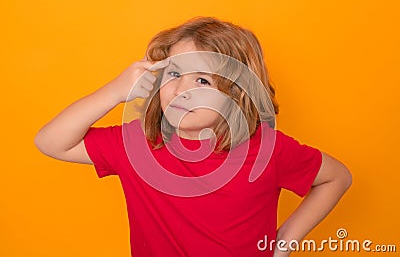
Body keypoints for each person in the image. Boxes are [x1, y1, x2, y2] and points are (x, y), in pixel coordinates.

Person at [35, 17, 352, 257]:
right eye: (173, 74)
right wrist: (115, 91)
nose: (180, 90)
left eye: (202, 80)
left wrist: (283, 243)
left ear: (237, 93)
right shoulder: (138, 144)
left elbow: (336, 178)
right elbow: (49, 142)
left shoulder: (268, 150)